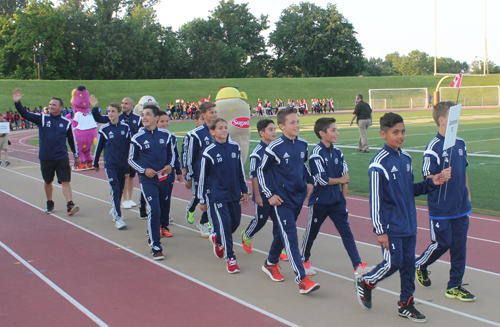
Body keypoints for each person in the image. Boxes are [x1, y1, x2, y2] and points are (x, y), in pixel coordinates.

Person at [355, 112, 451, 323]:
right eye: (395, 132)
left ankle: (406, 304)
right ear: (383, 133)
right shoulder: (378, 164)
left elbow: (410, 190)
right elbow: (376, 201)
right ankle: (367, 281)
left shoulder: (405, 158)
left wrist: (433, 181)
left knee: (408, 265)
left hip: (409, 224)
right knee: (393, 263)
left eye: (403, 131)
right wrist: (380, 231)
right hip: (391, 226)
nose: (400, 136)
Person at [415, 101, 475, 301]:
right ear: (441, 120)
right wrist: (439, 176)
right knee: (443, 243)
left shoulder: (460, 143)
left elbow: (464, 170)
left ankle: (454, 285)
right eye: (453, 117)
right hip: (441, 207)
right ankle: (420, 264)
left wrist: (467, 194)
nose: (457, 121)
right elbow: (427, 177)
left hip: (461, 206)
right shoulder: (433, 147)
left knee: (460, 246)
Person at [257, 108, 320, 294]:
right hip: (280, 200)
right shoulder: (274, 147)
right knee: (291, 237)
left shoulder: (302, 144)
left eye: (298, 121)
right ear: (282, 126)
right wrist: (269, 194)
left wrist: (310, 180)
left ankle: (270, 263)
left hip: (297, 197)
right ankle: (302, 280)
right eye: (292, 122)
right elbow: (261, 171)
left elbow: (302, 166)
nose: (297, 125)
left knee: (282, 234)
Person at [301, 117, 367, 277]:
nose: (337, 132)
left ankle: (357, 265)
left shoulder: (338, 152)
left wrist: (343, 200)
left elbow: (346, 177)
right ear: (322, 133)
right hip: (319, 202)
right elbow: (322, 180)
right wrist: (340, 180)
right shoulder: (316, 154)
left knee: (346, 232)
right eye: (333, 130)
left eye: (336, 129)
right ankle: (303, 260)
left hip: (336, 202)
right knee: (311, 233)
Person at [13, 88, 80, 215]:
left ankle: (70, 204)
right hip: (46, 157)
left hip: (61, 157)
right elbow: (26, 115)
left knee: (65, 181)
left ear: (61, 107)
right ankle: (49, 201)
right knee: (48, 181)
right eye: (50, 104)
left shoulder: (66, 123)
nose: (50, 106)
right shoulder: (42, 118)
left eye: (54, 105)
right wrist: (17, 103)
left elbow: (72, 140)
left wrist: (76, 156)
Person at [198, 118, 248, 273]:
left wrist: (244, 189)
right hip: (217, 196)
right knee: (225, 225)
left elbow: (240, 170)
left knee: (235, 223)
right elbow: (203, 178)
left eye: (225, 127)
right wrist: (202, 198)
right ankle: (231, 258)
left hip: (234, 194)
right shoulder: (209, 152)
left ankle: (217, 239)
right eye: (220, 128)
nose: (224, 130)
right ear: (213, 131)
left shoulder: (235, 147)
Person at [128, 104, 174, 260]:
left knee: (162, 208)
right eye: (143, 115)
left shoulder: (167, 136)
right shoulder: (137, 138)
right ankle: (156, 246)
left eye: (147, 114)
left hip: (164, 179)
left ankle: (153, 231)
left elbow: (172, 155)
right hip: (148, 180)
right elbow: (131, 160)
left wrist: (170, 166)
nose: (144, 117)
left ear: (156, 118)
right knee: (154, 209)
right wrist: (143, 170)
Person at [92, 96, 142, 210]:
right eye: (122, 103)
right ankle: (123, 200)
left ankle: (129, 198)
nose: (124, 105)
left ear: (132, 106)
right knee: (122, 178)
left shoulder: (137, 118)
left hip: (131, 152)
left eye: (126, 103)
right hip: (117, 156)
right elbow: (99, 117)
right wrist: (95, 107)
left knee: (131, 176)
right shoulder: (116, 117)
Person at [92, 102, 130, 230]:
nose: (110, 114)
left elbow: (131, 146)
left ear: (119, 113)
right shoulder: (104, 129)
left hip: (123, 164)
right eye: (108, 111)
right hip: (110, 164)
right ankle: (118, 217)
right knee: (115, 189)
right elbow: (99, 147)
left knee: (120, 188)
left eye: (113, 111)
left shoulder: (126, 128)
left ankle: (115, 208)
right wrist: (95, 161)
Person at [241, 119, 277, 253]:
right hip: (262, 193)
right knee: (260, 220)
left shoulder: (277, 148)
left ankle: (281, 249)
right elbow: (253, 175)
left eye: (274, 129)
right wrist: (257, 196)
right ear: (262, 133)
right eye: (270, 130)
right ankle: (247, 234)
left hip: (277, 192)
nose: (274, 132)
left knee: (280, 222)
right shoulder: (257, 152)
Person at [184, 102, 218, 238]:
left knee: (213, 199)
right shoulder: (196, 134)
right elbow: (190, 156)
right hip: (201, 175)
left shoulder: (219, 131)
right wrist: (189, 175)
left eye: (216, 112)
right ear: (203, 115)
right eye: (211, 112)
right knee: (202, 198)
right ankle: (202, 220)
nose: (214, 114)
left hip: (216, 175)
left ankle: (205, 222)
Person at [157, 110, 183, 237]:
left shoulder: (171, 136)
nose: (165, 124)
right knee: (156, 202)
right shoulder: (151, 136)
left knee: (166, 200)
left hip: (168, 173)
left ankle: (165, 226)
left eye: (167, 121)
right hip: (155, 174)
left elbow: (175, 155)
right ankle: (155, 226)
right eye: (162, 121)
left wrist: (178, 171)